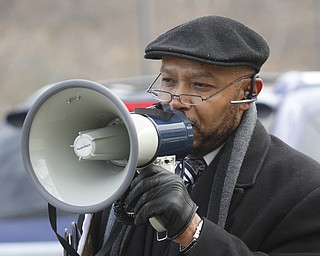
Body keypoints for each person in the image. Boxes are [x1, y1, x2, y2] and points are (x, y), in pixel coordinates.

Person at [80, 16, 320, 256]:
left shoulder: (304, 190)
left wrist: (193, 231)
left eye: (201, 86)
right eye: (169, 81)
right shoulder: (124, 165)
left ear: (249, 92)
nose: (176, 100)